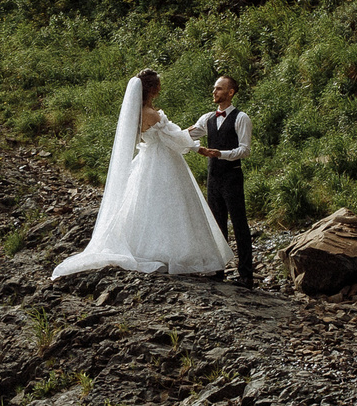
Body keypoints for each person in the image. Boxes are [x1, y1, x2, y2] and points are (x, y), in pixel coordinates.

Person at [50, 69, 237, 280]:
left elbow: (166, 136)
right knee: (169, 204)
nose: (160, 87)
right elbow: (171, 138)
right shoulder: (150, 114)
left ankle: (145, 246)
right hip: (162, 160)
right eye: (158, 85)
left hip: (146, 159)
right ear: (153, 89)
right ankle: (168, 252)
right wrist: (198, 148)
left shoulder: (137, 113)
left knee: (145, 204)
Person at [194, 74, 254, 289]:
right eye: (214, 88)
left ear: (230, 92)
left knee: (239, 225)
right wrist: (164, 133)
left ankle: (246, 274)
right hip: (213, 176)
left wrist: (221, 153)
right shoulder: (207, 118)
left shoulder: (241, 118)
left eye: (219, 89)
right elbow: (189, 134)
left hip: (232, 175)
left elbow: (245, 150)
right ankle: (218, 268)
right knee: (217, 224)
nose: (214, 92)